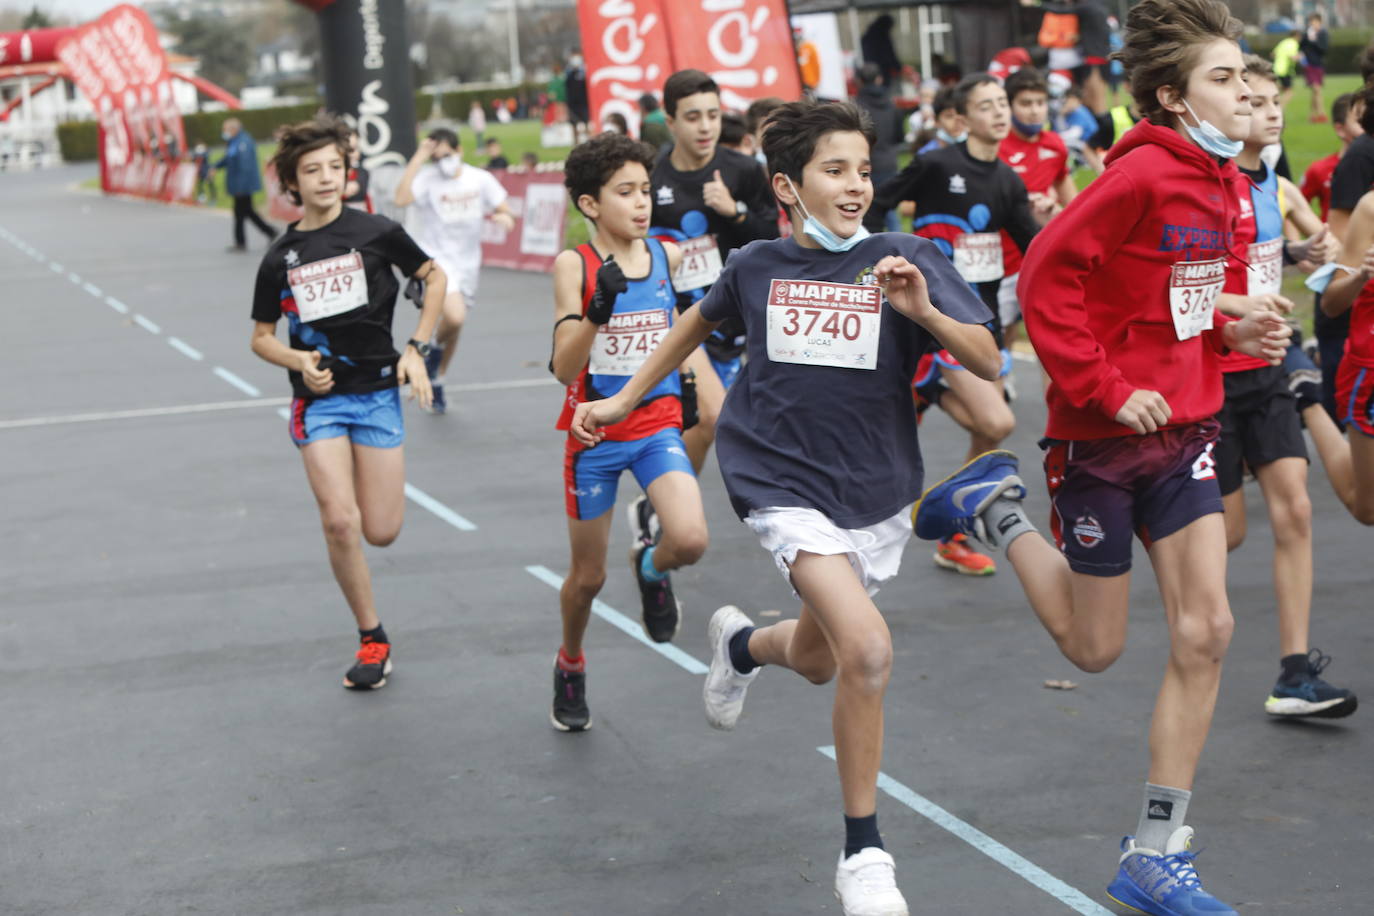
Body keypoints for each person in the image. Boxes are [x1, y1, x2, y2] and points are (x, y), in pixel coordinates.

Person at [571, 98, 999, 916]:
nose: (854, 187)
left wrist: (923, 311)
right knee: (867, 651)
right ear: (787, 186)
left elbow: (982, 358)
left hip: (874, 491)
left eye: (864, 171)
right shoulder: (759, 265)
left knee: (817, 659)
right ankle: (863, 853)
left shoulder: (903, 256)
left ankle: (741, 647)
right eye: (834, 171)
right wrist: (626, 399)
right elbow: (690, 325)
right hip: (777, 480)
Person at [912, 2, 1292, 912]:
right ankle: (993, 507)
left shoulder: (1232, 185)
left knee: (1209, 630)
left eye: (1246, 74)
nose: (1244, 90)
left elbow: (1181, 299)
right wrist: (1111, 387)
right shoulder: (1140, 179)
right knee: (1094, 647)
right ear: (1172, 96)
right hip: (1101, 437)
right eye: (1223, 77)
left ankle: (1155, 853)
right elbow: (1047, 278)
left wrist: (1242, 327)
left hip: (1188, 428)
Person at [248, 116, 446, 691]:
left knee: (381, 530)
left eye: (335, 167)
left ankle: (370, 611)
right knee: (340, 522)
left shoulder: (377, 232)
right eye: (312, 170)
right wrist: (299, 363)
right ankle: (371, 637)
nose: (327, 178)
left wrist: (416, 348)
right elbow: (261, 337)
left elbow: (434, 279)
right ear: (292, 182)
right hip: (322, 403)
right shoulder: (280, 257)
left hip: (379, 394)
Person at [547, 132, 709, 731]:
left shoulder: (665, 254)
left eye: (646, 190)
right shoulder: (576, 264)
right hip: (593, 439)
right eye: (625, 193)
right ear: (590, 204)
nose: (642, 203)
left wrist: (687, 380)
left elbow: (675, 330)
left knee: (689, 539)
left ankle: (651, 567)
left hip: (656, 424)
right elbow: (564, 366)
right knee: (587, 579)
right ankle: (570, 661)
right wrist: (596, 312)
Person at [1212, 55, 1353, 719]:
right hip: (1210, 375)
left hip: (1268, 368)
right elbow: (1191, 281)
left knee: (1294, 507)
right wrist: (1246, 302)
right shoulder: (1207, 186)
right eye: (1258, 101)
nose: (1271, 111)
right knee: (1229, 534)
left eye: (1274, 101)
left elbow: (1320, 260)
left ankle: (1294, 673)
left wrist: (1320, 259)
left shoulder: (1278, 183)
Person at [869, 72, 1040, 577]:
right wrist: (879, 255)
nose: (999, 113)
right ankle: (950, 514)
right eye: (986, 105)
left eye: (1001, 103)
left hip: (976, 323)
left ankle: (949, 530)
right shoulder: (937, 163)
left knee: (984, 424)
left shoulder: (1008, 181)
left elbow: (1035, 243)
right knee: (998, 421)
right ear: (962, 118)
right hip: (931, 317)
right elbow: (880, 200)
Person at [648, 69, 779, 485]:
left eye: (712, 114)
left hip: (738, 317)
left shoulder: (742, 170)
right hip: (680, 316)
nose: (705, 126)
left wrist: (735, 212)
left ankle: (660, 505)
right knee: (712, 416)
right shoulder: (651, 178)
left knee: (706, 427)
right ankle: (666, 510)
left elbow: (771, 238)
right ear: (670, 122)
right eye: (692, 117)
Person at [394, 128, 517, 414]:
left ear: (459, 150)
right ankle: (433, 350)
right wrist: (420, 157)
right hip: (437, 260)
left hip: (468, 262)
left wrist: (504, 218)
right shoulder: (427, 178)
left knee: (455, 326)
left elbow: (505, 209)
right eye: (436, 157)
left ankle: (438, 376)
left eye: (446, 155)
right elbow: (401, 199)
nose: (442, 162)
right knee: (455, 315)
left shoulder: (480, 179)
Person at [997, 67, 1077, 354]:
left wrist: (1055, 209)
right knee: (1002, 333)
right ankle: (1003, 387)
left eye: (1040, 103)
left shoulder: (1055, 145)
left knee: (1049, 337)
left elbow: (1074, 206)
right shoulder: (996, 145)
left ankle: (1051, 397)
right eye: (1026, 103)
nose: (1034, 111)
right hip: (1002, 258)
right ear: (1010, 106)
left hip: (1042, 256)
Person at [1301, 92, 1364, 418]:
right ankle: (1331, 410)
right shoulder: (1323, 168)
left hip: (1359, 267)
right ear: (1341, 128)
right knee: (1335, 346)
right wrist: (1302, 253)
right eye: (1359, 116)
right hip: (1336, 268)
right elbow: (1291, 205)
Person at [854, 63, 905, 232]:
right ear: (879, 79)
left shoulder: (855, 107)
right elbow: (900, 137)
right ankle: (899, 247)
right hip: (888, 162)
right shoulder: (892, 105)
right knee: (889, 212)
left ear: (859, 81)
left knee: (863, 211)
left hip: (863, 165)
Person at [215, 118, 277, 253]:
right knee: (245, 212)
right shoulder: (234, 142)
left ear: (234, 129)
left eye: (226, 129)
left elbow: (245, 167)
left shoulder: (243, 142)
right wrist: (215, 167)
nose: (224, 132)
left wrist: (240, 188)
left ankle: (258, 235)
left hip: (243, 186)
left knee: (242, 212)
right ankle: (266, 233)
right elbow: (228, 158)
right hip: (239, 185)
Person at [1299, 13, 1330, 124]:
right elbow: (1301, 46)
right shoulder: (1307, 33)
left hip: (1319, 64)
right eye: (1311, 22)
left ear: (1319, 22)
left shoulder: (1323, 33)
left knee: (1315, 91)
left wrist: (1314, 41)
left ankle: (1311, 115)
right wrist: (1307, 38)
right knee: (1316, 89)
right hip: (1309, 65)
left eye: (1315, 22)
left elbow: (1324, 49)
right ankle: (1322, 114)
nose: (1312, 24)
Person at [860, 13, 902, 85]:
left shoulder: (867, 36)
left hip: (868, 68)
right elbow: (889, 54)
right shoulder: (882, 37)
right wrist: (898, 67)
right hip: (881, 69)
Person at [343, 126, 372, 213]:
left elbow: (357, 188)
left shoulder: (362, 172)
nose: (351, 153)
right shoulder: (331, 175)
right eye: (347, 149)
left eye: (354, 148)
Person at [1271, 29, 1300, 107]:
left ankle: (1274, 101)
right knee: (1289, 92)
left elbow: (1273, 54)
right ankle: (1279, 107)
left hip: (1276, 68)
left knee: (1280, 88)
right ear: (1297, 36)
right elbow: (1292, 57)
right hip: (1286, 70)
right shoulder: (1294, 43)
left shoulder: (1283, 42)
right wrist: (1299, 57)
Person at [566, 52, 591, 142]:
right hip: (573, 104)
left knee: (587, 123)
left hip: (584, 103)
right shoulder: (569, 74)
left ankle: (589, 141)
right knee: (574, 124)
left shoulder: (585, 74)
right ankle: (575, 142)